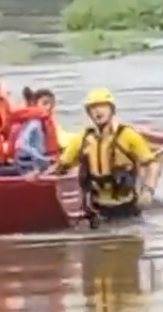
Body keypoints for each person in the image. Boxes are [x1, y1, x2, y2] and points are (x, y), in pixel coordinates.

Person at [41, 88, 155, 226]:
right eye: (93, 108)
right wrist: (38, 178)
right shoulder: (83, 139)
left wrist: (148, 190)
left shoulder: (128, 136)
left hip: (127, 207)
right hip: (98, 209)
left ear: (112, 110)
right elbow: (61, 166)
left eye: (102, 106)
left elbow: (152, 164)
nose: (97, 111)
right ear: (89, 113)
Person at [6, 87, 60, 172]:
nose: (49, 107)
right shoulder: (33, 123)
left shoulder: (45, 121)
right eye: (45, 103)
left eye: (51, 104)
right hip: (30, 163)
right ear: (34, 104)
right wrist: (47, 160)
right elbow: (23, 145)